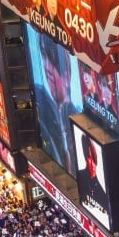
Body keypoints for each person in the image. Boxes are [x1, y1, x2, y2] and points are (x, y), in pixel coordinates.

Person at [34, 33, 79, 175]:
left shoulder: (77, 118)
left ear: (67, 74)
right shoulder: (41, 100)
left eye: (53, 61)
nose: (47, 67)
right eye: (44, 56)